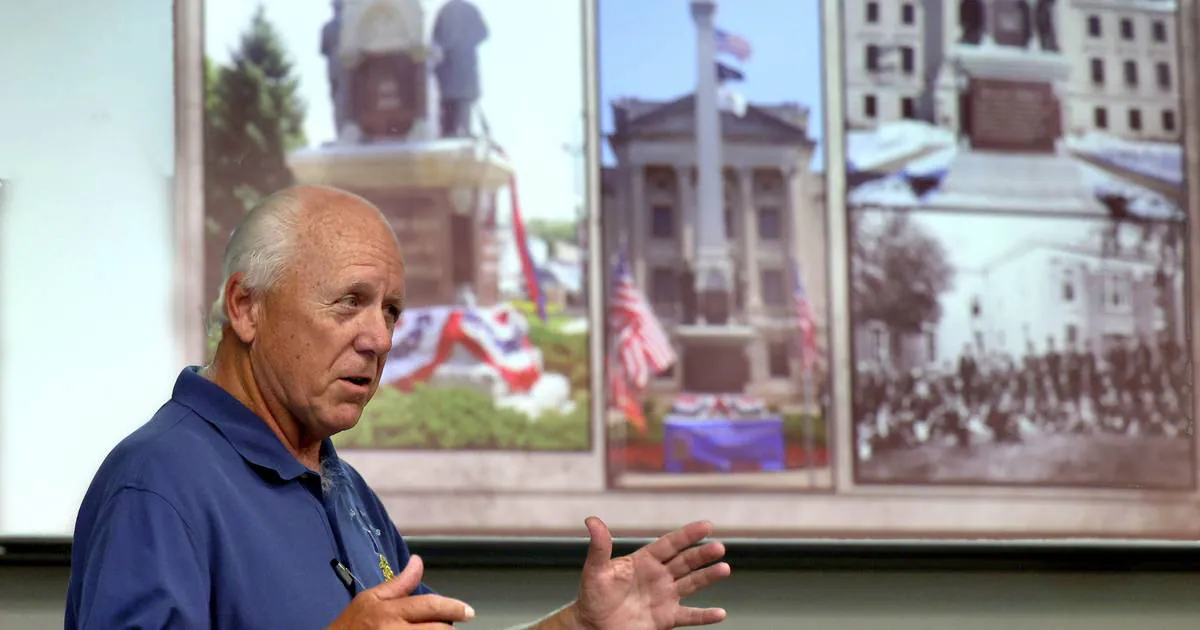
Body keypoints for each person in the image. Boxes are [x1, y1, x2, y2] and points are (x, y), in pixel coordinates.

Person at [64, 185, 731, 629]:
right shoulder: (157, 484)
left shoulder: (345, 488)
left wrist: (578, 626)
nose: (379, 338)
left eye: (390, 311)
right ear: (246, 307)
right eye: (348, 302)